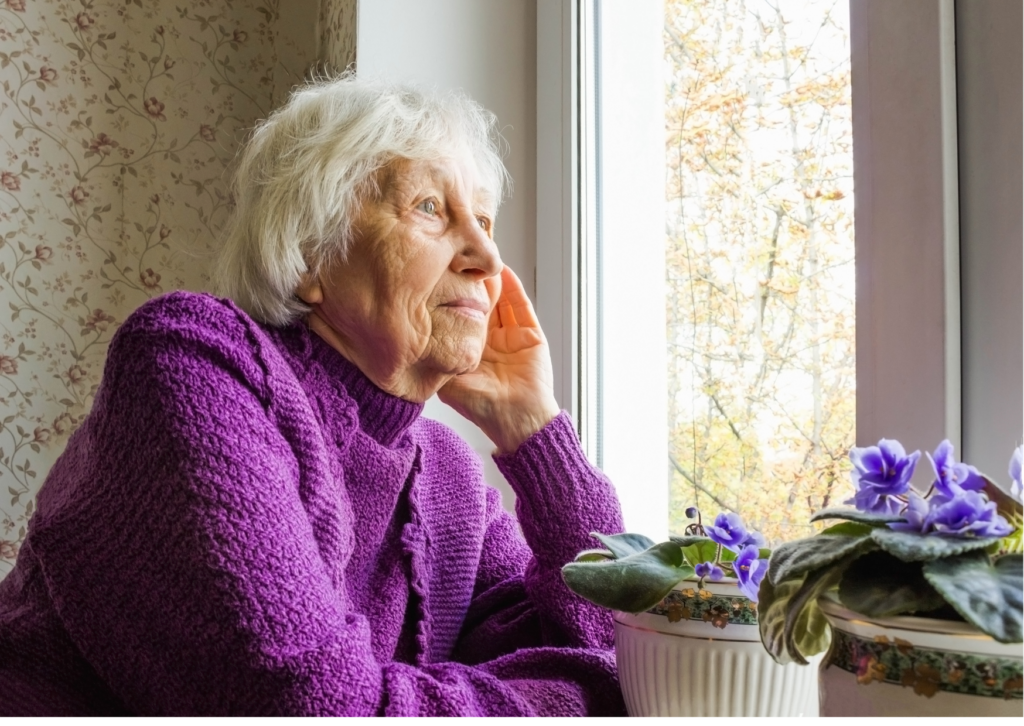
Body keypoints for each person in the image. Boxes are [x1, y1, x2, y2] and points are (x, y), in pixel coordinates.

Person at [0, 76, 628, 716]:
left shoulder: (446, 475)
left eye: (485, 219)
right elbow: (311, 703)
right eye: (430, 208)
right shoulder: (195, 362)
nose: (489, 256)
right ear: (309, 255)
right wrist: (589, 695)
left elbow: (616, 649)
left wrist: (535, 431)